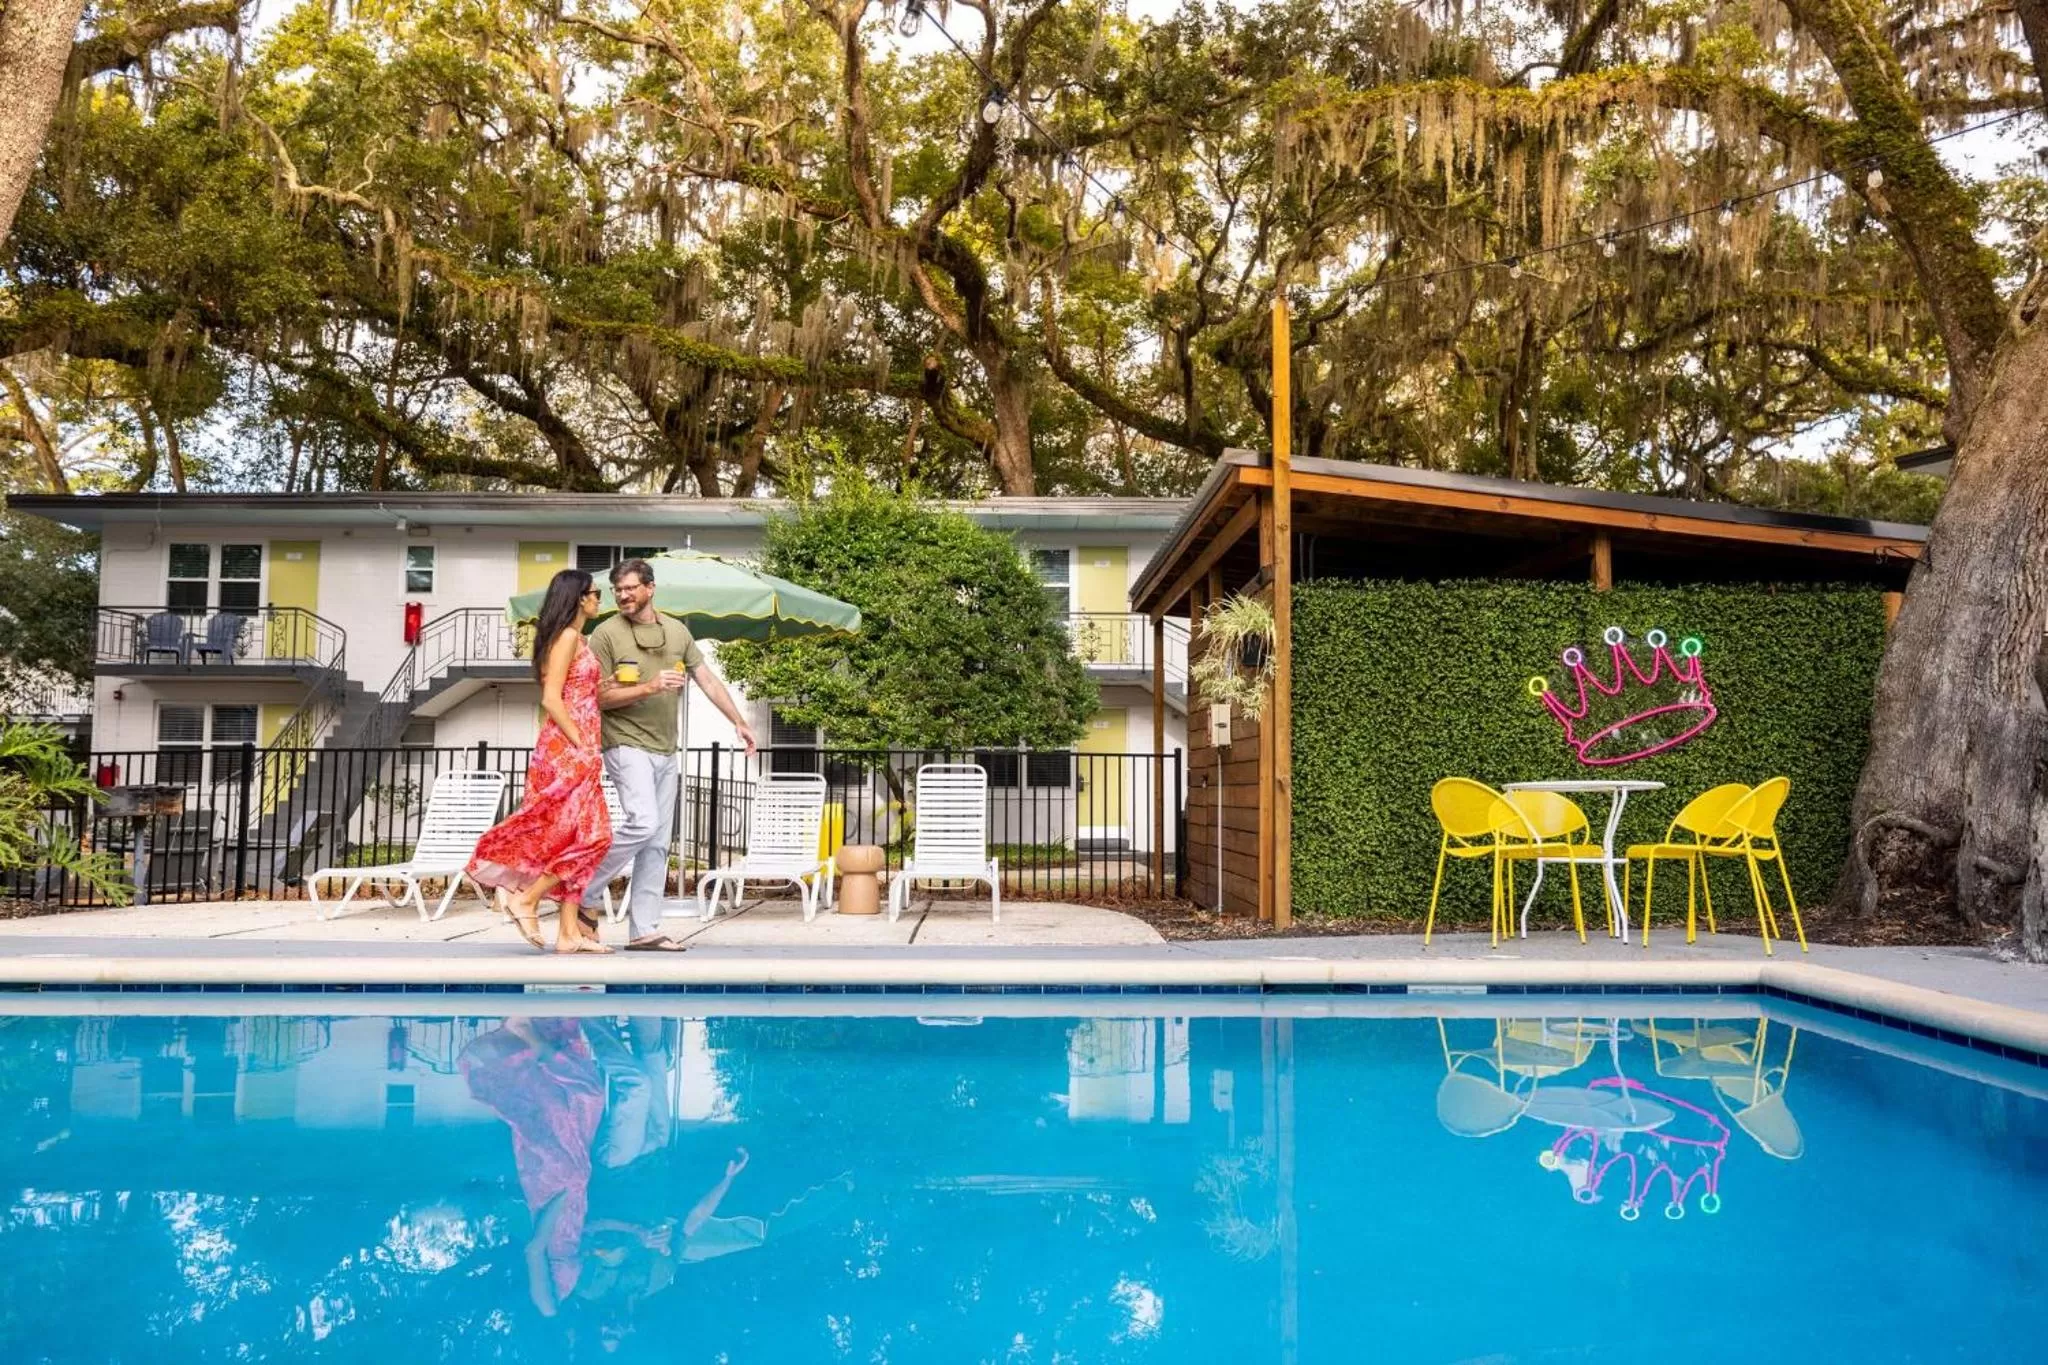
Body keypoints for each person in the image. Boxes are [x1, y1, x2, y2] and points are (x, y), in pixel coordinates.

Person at [578, 557, 757, 951]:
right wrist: (649, 687)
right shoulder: (605, 635)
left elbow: (706, 678)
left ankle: (644, 930)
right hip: (625, 743)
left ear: (650, 588)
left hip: (665, 748)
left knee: (658, 842)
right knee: (642, 822)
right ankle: (584, 889)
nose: (623, 596)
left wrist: (738, 720)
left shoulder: (676, 632)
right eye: (617, 590)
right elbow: (597, 697)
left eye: (630, 588)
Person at [468, 569, 613, 953]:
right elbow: (551, 699)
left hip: (578, 746)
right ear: (580, 597)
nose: (601, 599)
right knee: (597, 836)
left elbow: (579, 693)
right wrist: (582, 744)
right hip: (568, 748)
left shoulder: (577, 639)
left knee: (578, 836)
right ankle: (527, 898)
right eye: (597, 593)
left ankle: (568, 934)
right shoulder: (566, 637)